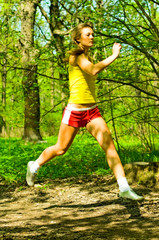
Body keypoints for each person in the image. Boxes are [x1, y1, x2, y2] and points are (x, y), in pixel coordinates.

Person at [26, 23, 143, 201]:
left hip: (92, 112)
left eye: (93, 34)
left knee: (109, 147)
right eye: (88, 34)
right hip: (74, 112)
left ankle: (124, 187)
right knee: (60, 149)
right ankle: (34, 166)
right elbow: (93, 70)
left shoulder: (87, 56)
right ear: (78, 39)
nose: (92, 37)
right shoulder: (77, 56)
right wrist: (114, 55)